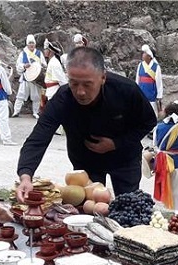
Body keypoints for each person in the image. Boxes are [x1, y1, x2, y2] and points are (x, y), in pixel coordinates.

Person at [15, 47, 157, 201]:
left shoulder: (126, 90)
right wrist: (25, 175)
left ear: (103, 77)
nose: (80, 92)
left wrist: (116, 143)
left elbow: (148, 121)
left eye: (87, 84)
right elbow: (38, 138)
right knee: (89, 209)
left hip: (125, 157)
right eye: (74, 84)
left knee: (128, 205)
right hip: (86, 161)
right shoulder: (63, 99)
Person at [152, 101, 178, 211]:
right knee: (177, 191)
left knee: (163, 188)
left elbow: (155, 146)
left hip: (162, 163)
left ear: (165, 112)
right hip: (177, 163)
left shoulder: (158, 128)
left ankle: (164, 211)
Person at [12, 34, 47, 119]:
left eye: (32, 43)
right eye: (30, 43)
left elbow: (44, 64)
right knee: (20, 95)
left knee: (36, 97)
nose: (31, 45)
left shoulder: (39, 53)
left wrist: (40, 66)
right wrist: (24, 66)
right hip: (26, 78)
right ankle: (16, 111)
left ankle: (35, 112)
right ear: (27, 44)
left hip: (36, 79)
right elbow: (18, 65)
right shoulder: (23, 53)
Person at [135, 44, 163, 118]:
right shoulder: (140, 65)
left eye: (145, 53)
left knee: (151, 114)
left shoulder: (156, 67)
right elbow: (137, 80)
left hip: (151, 94)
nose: (143, 55)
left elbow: (159, 83)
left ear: (150, 56)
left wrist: (159, 96)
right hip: (141, 93)